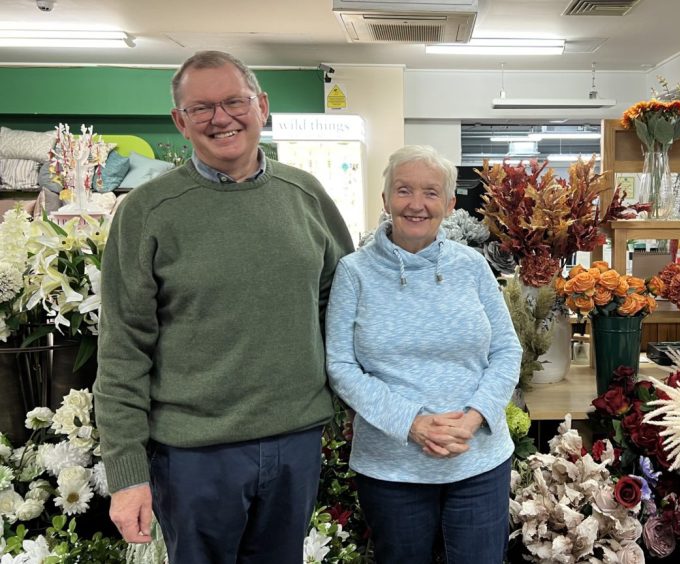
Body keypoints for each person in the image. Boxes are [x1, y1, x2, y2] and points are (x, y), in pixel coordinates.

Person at [93, 50, 354, 563]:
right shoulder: (146, 213)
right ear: (180, 122)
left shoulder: (306, 195)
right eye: (201, 108)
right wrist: (126, 475)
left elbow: (343, 309)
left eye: (234, 101)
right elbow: (123, 349)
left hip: (295, 442)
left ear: (261, 105)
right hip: (193, 454)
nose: (221, 118)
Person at [325, 145, 523, 564]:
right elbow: (341, 367)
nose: (417, 204)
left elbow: (507, 350)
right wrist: (412, 423)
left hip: (478, 463)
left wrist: (472, 420)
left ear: (450, 204)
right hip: (391, 468)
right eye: (404, 190)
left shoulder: (472, 266)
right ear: (385, 200)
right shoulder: (354, 273)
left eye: (431, 193)